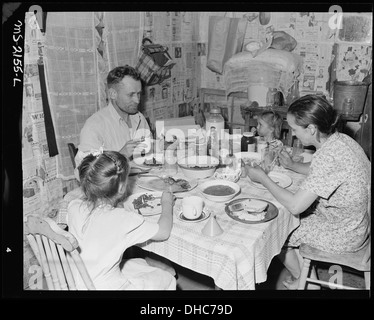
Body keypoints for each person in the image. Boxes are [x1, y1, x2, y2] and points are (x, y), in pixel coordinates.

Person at [243, 95, 371, 289]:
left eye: (295, 129)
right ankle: (304, 276)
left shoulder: (329, 156)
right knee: (283, 220)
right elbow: (322, 171)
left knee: (275, 232)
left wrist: (262, 177)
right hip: (356, 221)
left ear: (311, 129)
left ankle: (306, 282)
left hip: (344, 233)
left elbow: (295, 204)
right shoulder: (339, 140)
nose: (293, 135)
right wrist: (293, 165)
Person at [67, 150, 177, 290]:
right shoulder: (123, 218)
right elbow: (163, 232)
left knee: (138, 264)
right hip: (108, 288)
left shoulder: (73, 206)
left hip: (78, 282)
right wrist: (166, 203)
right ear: (120, 188)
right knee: (165, 278)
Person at [74, 65, 151, 180]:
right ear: (112, 94)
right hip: (111, 192)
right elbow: (85, 175)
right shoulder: (94, 125)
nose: (137, 100)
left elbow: (148, 156)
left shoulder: (139, 118)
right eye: (131, 95)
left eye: (139, 93)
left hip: (140, 183)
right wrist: (120, 155)